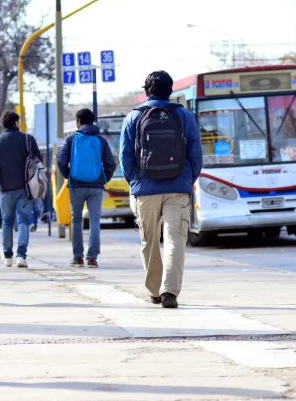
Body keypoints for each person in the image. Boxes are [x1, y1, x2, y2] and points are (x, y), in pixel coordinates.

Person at [120, 71, 202, 309]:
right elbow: (195, 152)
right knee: (175, 239)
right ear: (171, 91)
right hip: (178, 187)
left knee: (149, 240)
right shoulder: (183, 115)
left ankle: (154, 290)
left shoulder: (133, 117)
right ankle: (170, 291)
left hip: (145, 189)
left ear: (147, 91)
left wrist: (135, 181)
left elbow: (125, 156)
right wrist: (187, 178)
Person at [57, 108, 116, 268]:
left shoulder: (71, 139)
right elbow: (111, 164)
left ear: (78, 122)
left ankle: (78, 257)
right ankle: (92, 258)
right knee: (95, 221)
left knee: (76, 220)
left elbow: (61, 161)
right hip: (96, 186)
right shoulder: (101, 141)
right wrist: (102, 179)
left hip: (76, 186)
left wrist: (69, 176)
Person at [0, 111, 42, 268]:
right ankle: (21, 256)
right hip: (25, 189)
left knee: (7, 222)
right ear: (16, 123)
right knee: (23, 221)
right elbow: (39, 162)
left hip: (5, 190)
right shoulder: (28, 140)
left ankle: (8, 255)